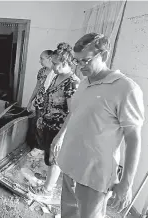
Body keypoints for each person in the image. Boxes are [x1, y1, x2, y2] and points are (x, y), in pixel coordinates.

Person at [53, 33, 145, 218]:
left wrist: (126, 183)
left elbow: (133, 139)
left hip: (94, 175)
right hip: (71, 164)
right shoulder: (84, 83)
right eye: (77, 61)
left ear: (104, 55)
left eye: (86, 61)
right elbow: (75, 113)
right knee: (68, 213)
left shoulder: (125, 89)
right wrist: (59, 136)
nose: (80, 67)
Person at [30, 43, 80, 198]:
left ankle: (47, 190)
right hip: (48, 124)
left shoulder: (72, 82)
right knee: (49, 155)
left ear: (66, 63)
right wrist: (41, 118)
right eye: (52, 62)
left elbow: (73, 112)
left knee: (55, 160)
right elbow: (47, 98)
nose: (52, 65)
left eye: (56, 63)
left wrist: (61, 136)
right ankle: (47, 181)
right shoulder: (57, 76)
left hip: (60, 128)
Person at [27, 50, 55, 151]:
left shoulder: (56, 72)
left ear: (50, 58)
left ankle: (44, 151)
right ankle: (38, 149)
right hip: (39, 105)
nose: (40, 61)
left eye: (42, 58)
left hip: (50, 108)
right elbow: (37, 87)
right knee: (37, 127)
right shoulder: (42, 71)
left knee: (47, 130)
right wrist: (30, 101)